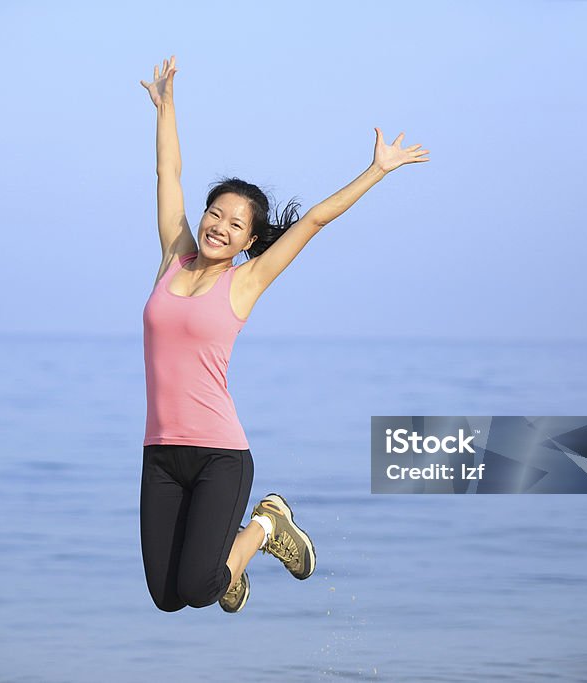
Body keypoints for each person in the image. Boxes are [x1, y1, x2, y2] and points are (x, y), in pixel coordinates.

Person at [138, 55, 429, 613]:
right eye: (214, 213)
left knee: (200, 590)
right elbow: (166, 174)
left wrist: (377, 170)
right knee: (167, 598)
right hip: (160, 453)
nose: (219, 226)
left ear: (248, 239)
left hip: (220, 453)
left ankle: (265, 528)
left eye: (235, 224)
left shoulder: (245, 281)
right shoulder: (174, 258)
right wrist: (166, 107)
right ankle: (235, 564)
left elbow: (314, 220)